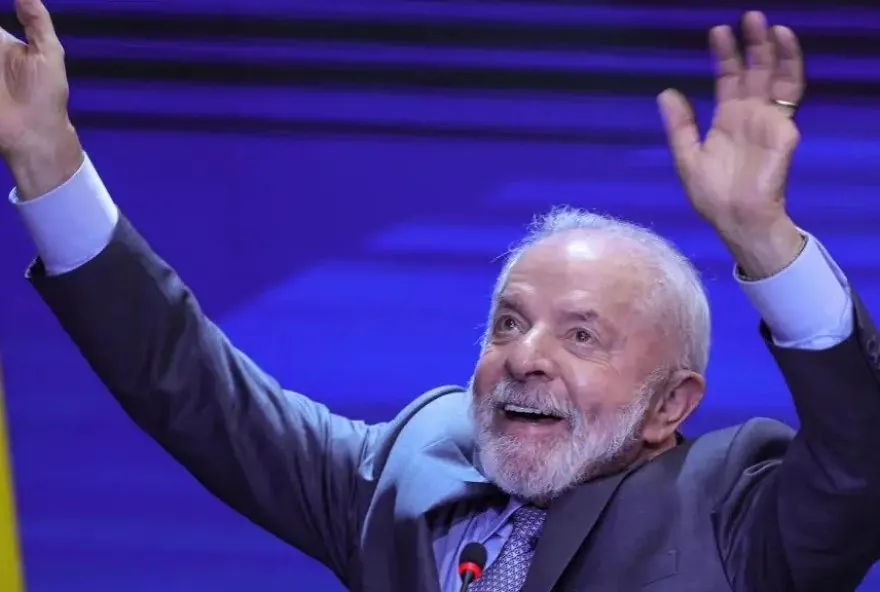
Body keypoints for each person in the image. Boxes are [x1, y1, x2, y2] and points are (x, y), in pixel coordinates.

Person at [3, 0, 880, 590]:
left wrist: (763, 239)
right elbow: (189, 385)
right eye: (508, 322)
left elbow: (859, 460)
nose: (524, 357)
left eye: (581, 336)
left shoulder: (733, 515)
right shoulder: (413, 465)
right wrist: (48, 161)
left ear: (671, 405)